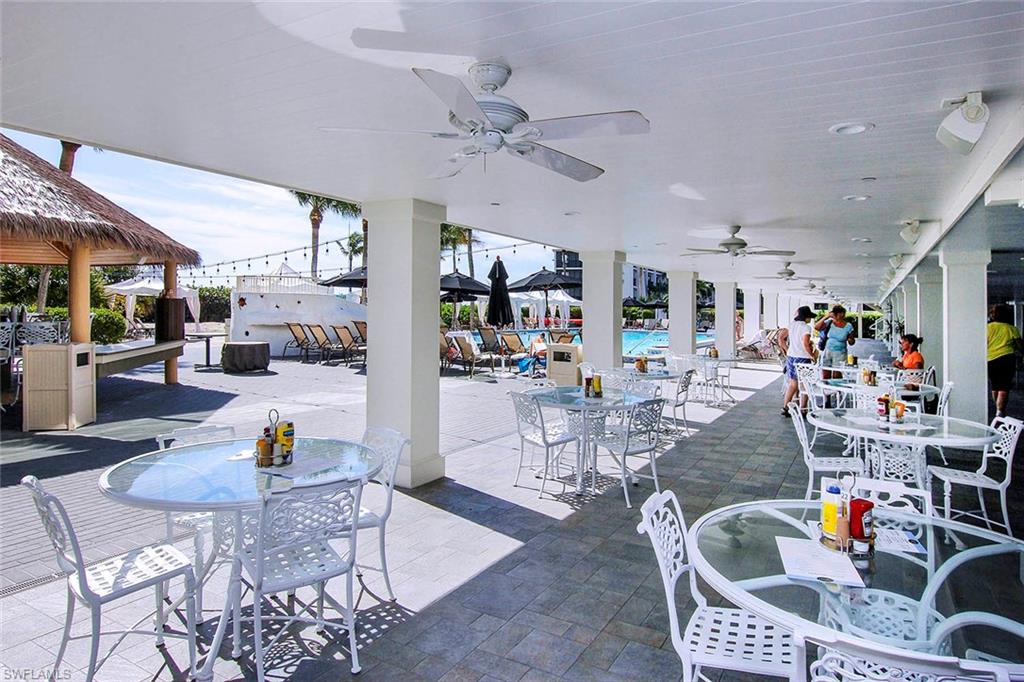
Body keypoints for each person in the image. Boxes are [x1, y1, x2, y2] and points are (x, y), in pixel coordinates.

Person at [778, 306, 815, 417]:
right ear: (806, 317)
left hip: (791, 357)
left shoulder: (792, 325)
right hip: (803, 358)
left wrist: (787, 350)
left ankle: (785, 407)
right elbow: (805, 344)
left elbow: (780, 338)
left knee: (793, 384)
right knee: (805, 384)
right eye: (810, 317)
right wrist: (812, 355)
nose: (811, 319)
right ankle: (803, 409)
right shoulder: (806, 328)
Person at [987, 304, 1022, 418]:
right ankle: (1000, 412)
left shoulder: (988, 327)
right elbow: (1020, 346)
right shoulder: (1011, 328)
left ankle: (997, 407)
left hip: (991, 359)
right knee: (1004, 387)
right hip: (1006, 359)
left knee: (995, 386)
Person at [814, 305, 856, 377]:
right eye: (839, 314)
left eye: (843, 314)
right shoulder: (829, 322)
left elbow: (852, 341)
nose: (842, 315)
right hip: (827, 351)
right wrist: (826, 316)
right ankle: (826, 387)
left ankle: (836, 387)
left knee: (837, 374)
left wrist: (850, 340)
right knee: (826, 373)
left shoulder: (848, 326)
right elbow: (816, 327)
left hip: (840, 353)